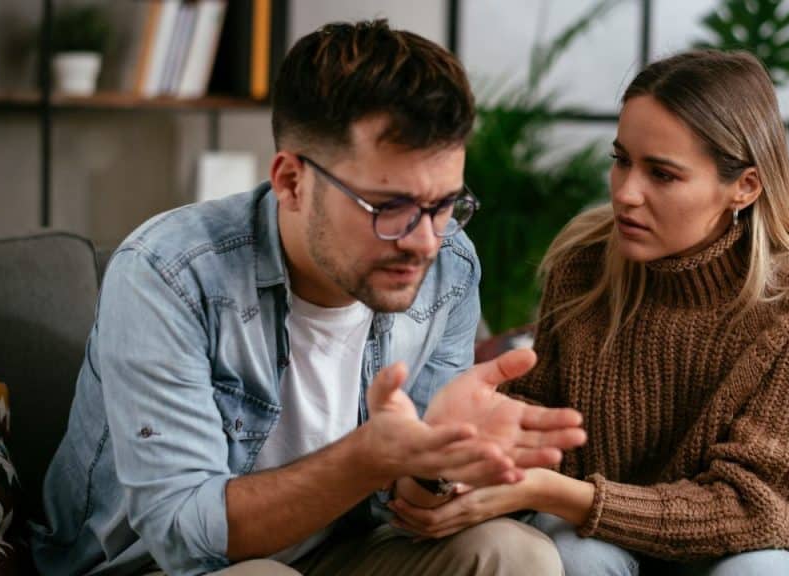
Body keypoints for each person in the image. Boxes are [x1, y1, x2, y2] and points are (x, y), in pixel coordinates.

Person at [29, 20, 586, 576]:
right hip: (160, 567)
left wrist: (438, 467)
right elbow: (182, 535)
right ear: (292, 181)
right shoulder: (168, 275)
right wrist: (372, 456)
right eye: (388, 206)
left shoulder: (451, 265)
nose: (424, 241)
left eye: (445, 204)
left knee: (518, 556)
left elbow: (405, 491)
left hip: (341, 549)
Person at [388, 49, 789, 576]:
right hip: (589, 539)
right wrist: (451, 467)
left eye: (662, 174)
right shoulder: (584, 264)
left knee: (760, 572)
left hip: (723, 551)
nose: (626, 193)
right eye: (621, 160)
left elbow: (762, 508)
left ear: (744, 187)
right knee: (575, 554)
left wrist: (568, 496)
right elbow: (533, 436)